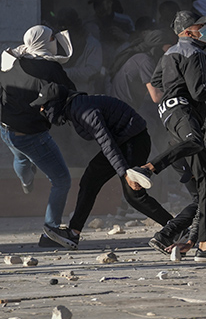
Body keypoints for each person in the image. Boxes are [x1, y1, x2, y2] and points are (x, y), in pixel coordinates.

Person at [130, 11, 206, 263]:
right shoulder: (195, 53)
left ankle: (204, 246)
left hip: (169, 112)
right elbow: (200, 91)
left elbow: (155, 84)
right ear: (188, 31)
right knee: (196, 142)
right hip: (183, 111)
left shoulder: (169, 54)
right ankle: (148, 168)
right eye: (202, 26)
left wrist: (168, 99)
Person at [30, 83, 174, 249]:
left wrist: (125, 172)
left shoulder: (83, 111)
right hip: (124, 140)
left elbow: (107, 143)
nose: (42, 110)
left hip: (133, 141)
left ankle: (176, 227)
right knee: (90, 180)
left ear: (56, 103)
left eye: (45, 106)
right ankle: (73, 233)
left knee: (134, 196)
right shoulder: (75, 108)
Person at [0, 25, 75, 247]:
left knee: (21, 156)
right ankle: (50, 232)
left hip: (6, 129)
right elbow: (69, 91)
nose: (54, 41)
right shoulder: (49, 68)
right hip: (32, 135)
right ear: (44, 42)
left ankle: (26, 180)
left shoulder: (12, 59)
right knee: (61, 180)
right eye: (52, 38)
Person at [52, 8, 104, 94]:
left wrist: (64, 72)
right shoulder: (56, 43)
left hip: (83, 95)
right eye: (61, 27)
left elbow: (92, 72)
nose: (64, 31)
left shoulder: (92, 44)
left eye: (67, 26)